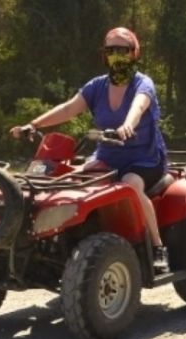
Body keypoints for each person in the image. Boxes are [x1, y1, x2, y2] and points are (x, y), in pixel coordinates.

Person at [9, 27, 171, 270]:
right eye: (111, 50)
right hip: (107, 155)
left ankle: (157, 247)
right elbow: (68, 109)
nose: (117, 55)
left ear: (135, 53)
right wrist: (33, 124)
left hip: (144, 159)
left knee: (131, 185)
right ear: (104, 54)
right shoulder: (97, 86)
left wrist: (127, 125)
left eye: (123, 50)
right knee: (71, 179)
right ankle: (57, 238)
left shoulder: (143, 83)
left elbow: (138, 107)